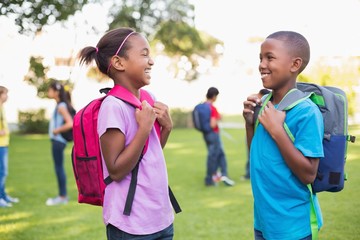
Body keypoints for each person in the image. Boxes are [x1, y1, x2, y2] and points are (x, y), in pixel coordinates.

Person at [78, 27, 176, 240]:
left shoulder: (148, 98)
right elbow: (116, 170)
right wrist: (144, 128)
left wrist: (166, 127)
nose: (151, 61)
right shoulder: (113, 106)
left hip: (160, 216)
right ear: (119, 62)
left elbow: (147, 155)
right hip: (131, 224)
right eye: (144, 54)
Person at [243, 31, 324, 240]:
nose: (262, 64)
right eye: (260, 58)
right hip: (263, 221)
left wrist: (277, 131)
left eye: (269, 57)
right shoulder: (266, 105)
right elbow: (257, 157)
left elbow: (308, 174)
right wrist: (250, 125)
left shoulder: (306, 112)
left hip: (292, 226)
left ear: (295, 64)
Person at [46, 81, 75, 206]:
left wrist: (56, 130)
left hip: (58, 141)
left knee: (59, 169)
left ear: (56, 92)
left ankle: (62, 196)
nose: (48, 92)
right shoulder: (61, 104)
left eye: (50, 90)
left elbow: (70, 123)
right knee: (59, 168)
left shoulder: (61, 106)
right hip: (57, 141)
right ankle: (62, 196)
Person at [202, 87, 234, 187]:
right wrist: (218, 118)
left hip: (206, 134)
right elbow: (212, 124)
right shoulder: (212, 108)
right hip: (214, 134)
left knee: (218, 154)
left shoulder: (203, 106)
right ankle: (210, 179)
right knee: (214, 156)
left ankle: (221, 175)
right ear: (214, 96)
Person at [242, 88, 270, 180]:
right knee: (250, 154)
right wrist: (249, 125)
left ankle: (249, 173)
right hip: (254, 132)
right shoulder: (254, 99)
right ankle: (248, 173)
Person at [0, 86, 19, 208]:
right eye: (5, 94)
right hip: (0, 145)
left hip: (4, 144)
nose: (7, 97)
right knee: (2, 172)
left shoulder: (2, 108)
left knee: (3, 172)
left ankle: (3, 196)